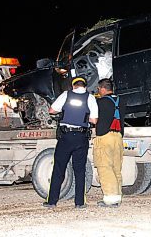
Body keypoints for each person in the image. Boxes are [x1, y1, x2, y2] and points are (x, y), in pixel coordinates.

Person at [43, 77, 98, 209]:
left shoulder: (66, 95)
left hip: (66, 137)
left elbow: (52, 110)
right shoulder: (90, 98)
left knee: (59, 169)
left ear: (73, 86)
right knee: (79, 170)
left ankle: (52, 201)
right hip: (81, 136)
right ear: (85, 86)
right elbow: (94, 120)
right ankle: (79, 203)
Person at [94, 78, 126, 207]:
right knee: (116, 169)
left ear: (102, 88)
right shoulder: (121, 101)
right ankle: (117, 197)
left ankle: (110, 199)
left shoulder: (100, 102)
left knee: (105, 168)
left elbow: (93, 118)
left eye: (98, 90)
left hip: (104, 137)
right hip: (118, 137)